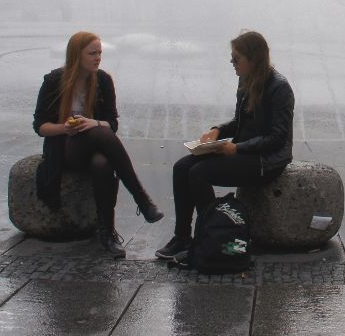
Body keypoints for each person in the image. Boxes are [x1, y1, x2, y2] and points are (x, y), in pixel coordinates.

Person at [156, 30, 294, 262]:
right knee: (182, 167)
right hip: (244, 153)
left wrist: (237, 149)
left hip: (266, 162)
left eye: (236, 58)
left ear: (253, 59)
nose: (232, 63)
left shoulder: (279, 88)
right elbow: (241, 122)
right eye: (232, 58)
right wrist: (218, 130)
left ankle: (211, 238)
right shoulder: (246, 80)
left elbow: (278, 138)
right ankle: (182, 237)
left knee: (199, 173)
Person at [32, 31, 163, 257]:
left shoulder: (102, 80)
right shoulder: (54, 81)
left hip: (94, 148)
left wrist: (92, 122)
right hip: (64, 148)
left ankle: (107, 233)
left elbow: (112, 123)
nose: (97, 58)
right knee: (100, 135)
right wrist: (66, 127)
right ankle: (141, 198)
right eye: (92, 53)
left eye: (100, 53)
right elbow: (40, 126)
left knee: (102, 163)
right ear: (76, 55)